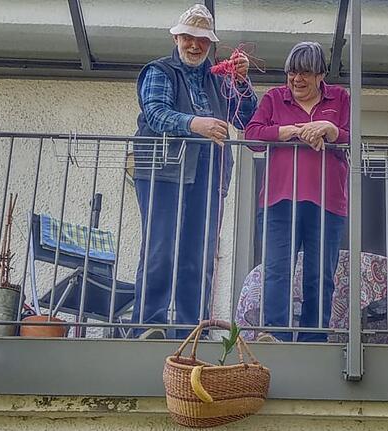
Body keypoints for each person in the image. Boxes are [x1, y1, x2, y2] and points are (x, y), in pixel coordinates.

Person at [133, 3, 257, 339]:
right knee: (161, 247)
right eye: (188, 37)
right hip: (162, 169)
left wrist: (242, 82)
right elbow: (156, 114)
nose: (194, 45)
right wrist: (194, 123)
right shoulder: (160, 71)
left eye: (202, 40)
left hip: (209, 172)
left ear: (210, 44)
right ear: (176, 38)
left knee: (200, 253)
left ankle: (193, 330)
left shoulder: (217, 77)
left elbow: (246, 118)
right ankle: (149, 325)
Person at [245, 42, 350, 342]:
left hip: (327, 202)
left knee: (320, 276)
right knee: (277, 271)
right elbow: (252, 135)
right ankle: (274, 336)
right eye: (292, 72)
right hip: (278, 200)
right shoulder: (274, 98)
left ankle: (313, 339)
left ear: (320, 75)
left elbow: (351, 136)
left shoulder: (340, 98)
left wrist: (329, 129)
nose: (296, 80)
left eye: (304, 73)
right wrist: (292, 130)